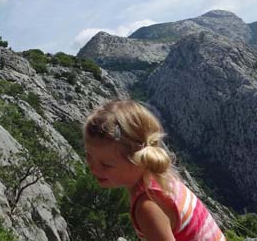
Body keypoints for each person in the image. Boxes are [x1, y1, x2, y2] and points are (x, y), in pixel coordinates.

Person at [84, 99, 226, 241]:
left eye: (106, 165)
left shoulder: (148, 207)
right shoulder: (161, 177)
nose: (92, 167)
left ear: (137, 160)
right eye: (88, 156)